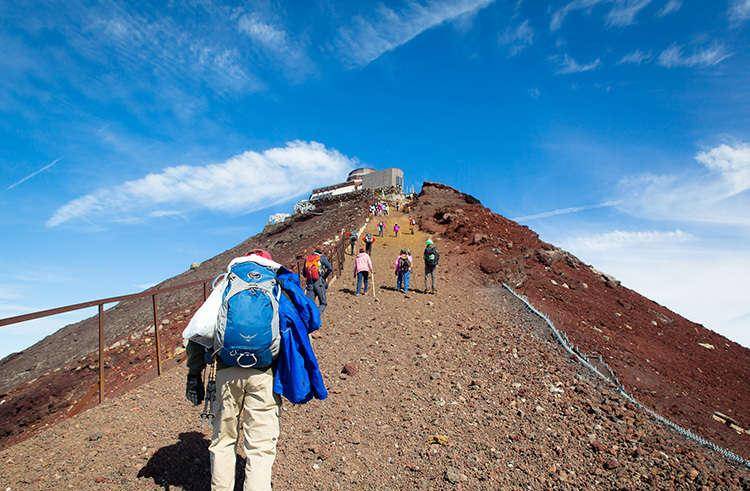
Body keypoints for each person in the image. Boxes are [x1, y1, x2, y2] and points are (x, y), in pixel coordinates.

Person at [183, 249, 327, 491]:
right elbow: (303, 326)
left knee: (223, 441)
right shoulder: (276, 286)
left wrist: (193, 375)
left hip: (226, 373)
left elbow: (198, 332)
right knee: (260, 448)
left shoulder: (228, 282)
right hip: (264, 375)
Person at [303, 248, 332, 315]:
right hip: (319, 282)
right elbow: (330, 268)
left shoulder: (308, 259)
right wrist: (324, 277)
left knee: (310, 304)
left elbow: (304, 274)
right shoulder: (321, 258)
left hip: (309, 283)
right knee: (323, 303)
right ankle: (316, 316)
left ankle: (309, 320)